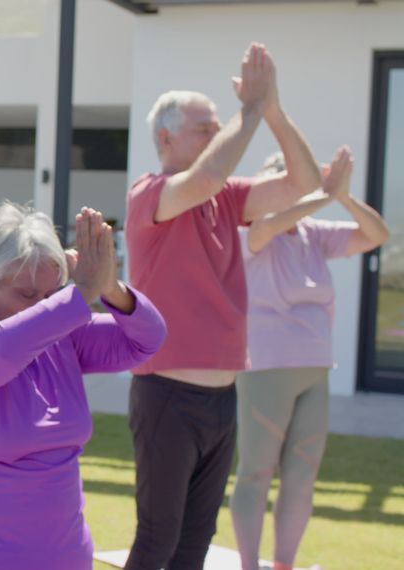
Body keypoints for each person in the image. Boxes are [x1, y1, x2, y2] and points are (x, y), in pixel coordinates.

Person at [123, 42, 324, 569]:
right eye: (203, 129)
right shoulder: (150, 194)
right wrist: (250, 111)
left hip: (220, 401)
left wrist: (273, 110)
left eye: (218, 127)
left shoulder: (227, 198)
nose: (218, 136)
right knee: (157, 540)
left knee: (194, 543)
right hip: (167, 396)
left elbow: (305, 184)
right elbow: (207, 176)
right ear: (166, 139)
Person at [0, 203, 166, 570]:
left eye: (51, 295)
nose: (43, 307)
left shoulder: (63, 336)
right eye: (27, 294)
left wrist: (108, 287)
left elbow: (146, 340)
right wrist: (78, 296)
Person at [230, 146, 389, 570]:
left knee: (301, 478)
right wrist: (322, 193)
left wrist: (343, 196)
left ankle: (284, 564)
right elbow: (269, 225)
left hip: (315, 368)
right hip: (266, 367)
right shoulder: (251, 231)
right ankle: (249, 565)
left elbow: (377, 235)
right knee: (256, 472)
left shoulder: (312, 233)